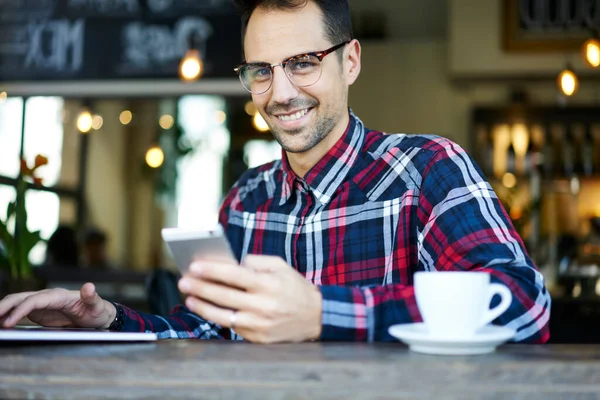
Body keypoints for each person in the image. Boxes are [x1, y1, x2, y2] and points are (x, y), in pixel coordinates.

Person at [0, 0, 550, 343]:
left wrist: (321, 314)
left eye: (302, 63)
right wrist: (108, 322)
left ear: (350, 61)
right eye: (261, 71)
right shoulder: (245, 199)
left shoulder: (429, 170)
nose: (280, 93)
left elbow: (523, 306)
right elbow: (208, 330)